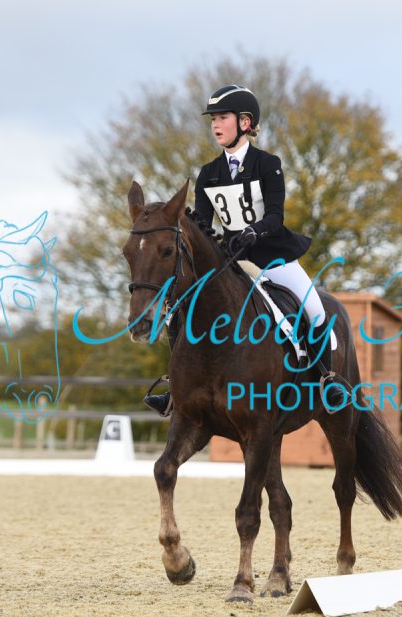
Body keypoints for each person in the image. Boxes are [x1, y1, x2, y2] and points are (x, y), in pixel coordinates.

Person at [144, 84, 346, 417]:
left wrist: (254, 231)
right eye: (212, 120)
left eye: (222, 117)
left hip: (274, 258)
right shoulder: (209, 174)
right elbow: (203, 226)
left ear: (245, 122)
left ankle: (328, 379)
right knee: (181, 310)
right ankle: (176, 386)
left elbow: (276, 217)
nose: (215, 125)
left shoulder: (268, 164)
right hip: (234, 262)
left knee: (315, 310)